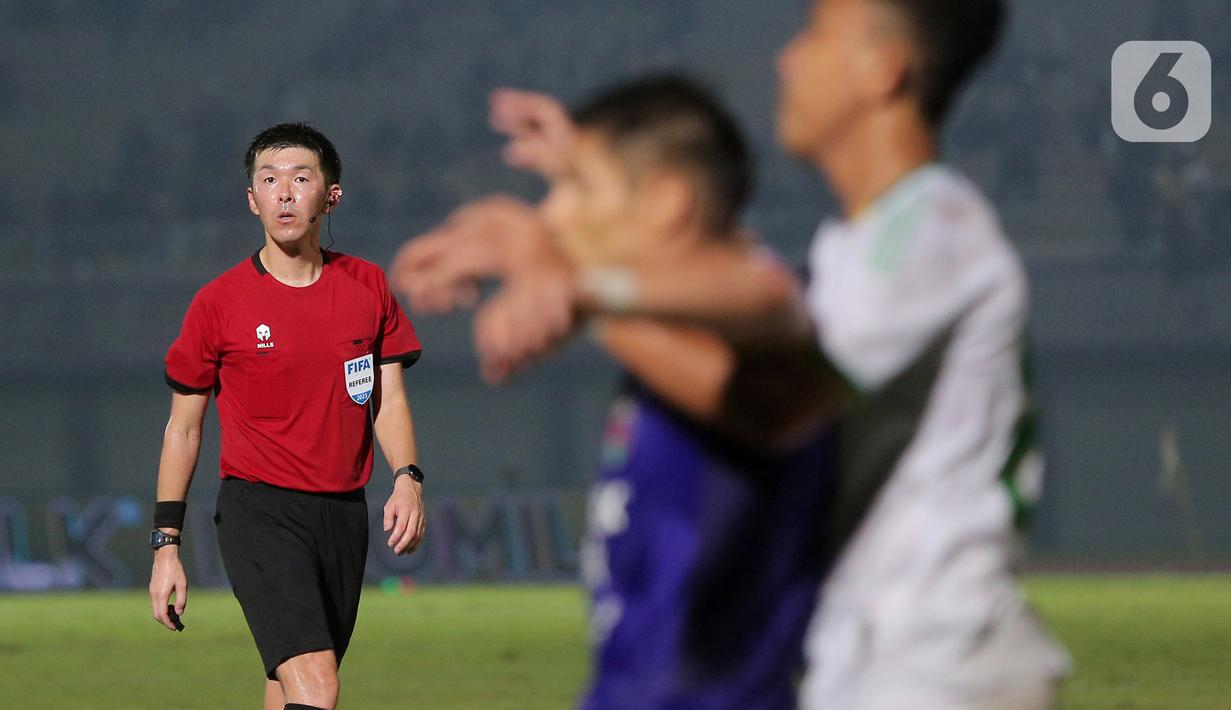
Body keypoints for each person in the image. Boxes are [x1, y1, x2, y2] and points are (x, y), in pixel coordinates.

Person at [395, 0, 1072, 707]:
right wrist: (604, 193)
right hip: (879, 659)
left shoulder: (931, 229)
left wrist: (579, 284)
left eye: (816, 33)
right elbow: (738, 287)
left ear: (882, 68)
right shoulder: (863, 245)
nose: (787, 57)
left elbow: (779, 398)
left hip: (935, 663)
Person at [396, 75, 839, 709]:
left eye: (578, 188)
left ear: (664, 202)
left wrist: (571, 283)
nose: (552, 215)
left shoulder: (760, 330)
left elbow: (768, 299)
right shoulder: (658, 338)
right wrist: (575, 273)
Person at [149, 122, 427, 710]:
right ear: (251, 200)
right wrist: (166, 543)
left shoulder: (367, 285)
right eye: (269, 181)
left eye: (300, 179)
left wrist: (407, 477)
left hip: (343, 514)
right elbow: (184, 427)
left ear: (331, 194)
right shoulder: (219, 303)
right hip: (261, 512)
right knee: (318, 683)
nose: (283, 193)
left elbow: (389, 399)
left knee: (288, 685)